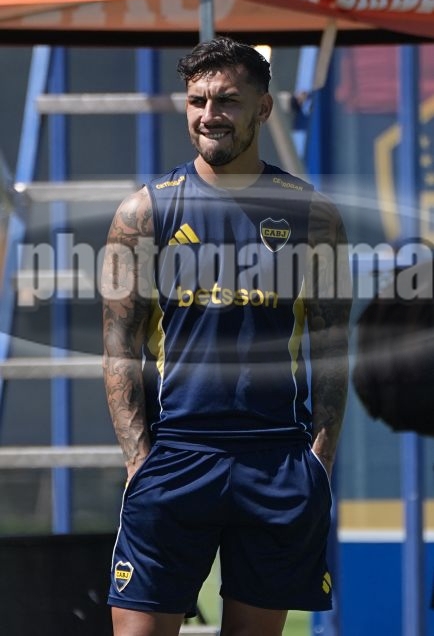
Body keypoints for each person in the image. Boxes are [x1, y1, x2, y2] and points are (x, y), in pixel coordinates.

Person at [101, 36, 352, 636]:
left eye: (227, 101)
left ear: (263, 108)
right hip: (176, 455)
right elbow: (119, 347)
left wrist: (319, 461)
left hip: (276, 460)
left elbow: (333, 347)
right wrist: (139, 460)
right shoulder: (144, 213)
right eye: (197, 101)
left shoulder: (312, 214)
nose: (209, 115)